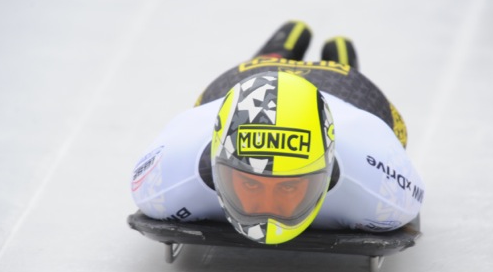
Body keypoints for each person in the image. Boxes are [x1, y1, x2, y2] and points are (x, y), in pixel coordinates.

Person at [131, 21, 425, 245]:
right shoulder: (385, 202)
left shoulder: (377, 179)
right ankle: (340, 62)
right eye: (250, 184)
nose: (267, 208)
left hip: (347, 97)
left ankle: (286, 55)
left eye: (287, 187)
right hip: (330, 85)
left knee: (396, 132)